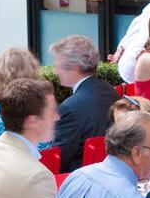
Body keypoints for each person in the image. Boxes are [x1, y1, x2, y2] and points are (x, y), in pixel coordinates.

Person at [50, 34, 118, 172]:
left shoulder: (69, 108)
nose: (55, 71)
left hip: (78, 176)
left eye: (59, 66)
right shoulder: (109, 90)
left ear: (75, 67)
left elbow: (58, 162)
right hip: (109, 168)